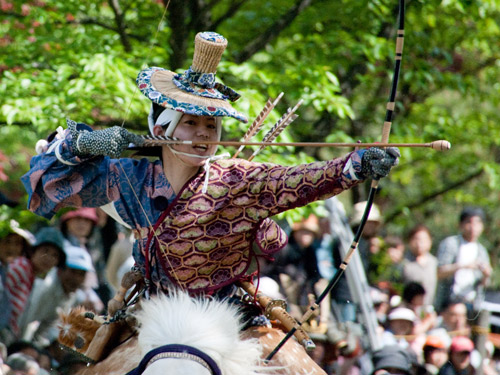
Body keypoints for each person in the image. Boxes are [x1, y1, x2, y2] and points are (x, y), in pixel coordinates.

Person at [21, 32, 398, 309]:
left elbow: (298, 180)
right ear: (160, 130)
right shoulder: (128, 176)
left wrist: (357, 164)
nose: (202, 134)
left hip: (226, 312)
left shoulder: (237, 178)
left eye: (211, 127)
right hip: (152, 310)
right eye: (190, 123)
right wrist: (86, 143)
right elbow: (49, 181)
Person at [18, 243, 94, 347]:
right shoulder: (45, 288)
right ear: (60, 270)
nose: (76, 278)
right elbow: (24, 321)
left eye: (81, 274)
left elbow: (46, 330)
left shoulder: (71, 296)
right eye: (72, 271)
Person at [4, 227, 66, 340]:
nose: (48, 258)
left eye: (55, 255)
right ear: (33, 251)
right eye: (45, 251)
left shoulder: (30, 276)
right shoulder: (21, 267)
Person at [435, 207, 491, 314]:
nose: (473, 227)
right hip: (449, 302)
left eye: (477, 223)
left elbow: (484, 284)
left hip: (472, 304)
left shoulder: (482, 251)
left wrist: (486, 275)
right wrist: (463, 266)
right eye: (469, 222)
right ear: (460, 225)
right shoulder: (451, 243)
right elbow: (439, 272)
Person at [0, 221, 34, 340]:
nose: (12, 248)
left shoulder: (5, 268)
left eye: (17, 243)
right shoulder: (19, 267)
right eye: (7, 242)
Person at [403, 224, 438, 306]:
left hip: (430, 308)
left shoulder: (434, 262)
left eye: (423, 240)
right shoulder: (403, 263)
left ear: (430, 241)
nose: (419, 244)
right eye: (416, 239)